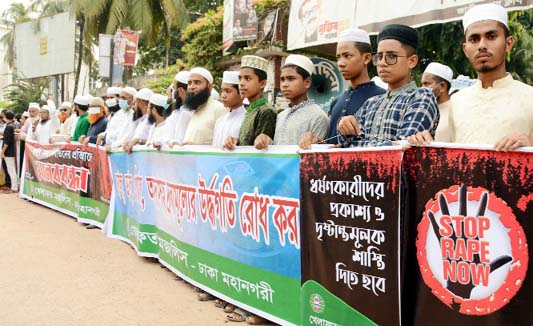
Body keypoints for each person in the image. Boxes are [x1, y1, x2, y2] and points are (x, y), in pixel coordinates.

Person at [408, 3, 533, 150]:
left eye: (491, 36)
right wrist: (422, 141)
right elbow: (451, 157)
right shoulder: (457, 101)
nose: (482, 45)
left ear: (508, 43)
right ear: (466, 50)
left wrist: (528, 147)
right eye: (474, 39)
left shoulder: (529, 97)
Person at [337, 24, 439, 147]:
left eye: (391, 56)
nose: (382, 63)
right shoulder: (371, 103)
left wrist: (356, 146)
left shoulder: (421, 96)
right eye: (379, 56)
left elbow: (403, 148)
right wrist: (344, 125)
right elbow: (344, 144)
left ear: (411, 61)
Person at [300, 28, 386, 149]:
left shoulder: (382, 97)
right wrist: (317, 143)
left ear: (366, 58)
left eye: (347, 56)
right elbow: (334, 145)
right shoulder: (336, 102)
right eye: (338, 57)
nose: (340, 63)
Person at [255, 54, 328, 150]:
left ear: (307, 82)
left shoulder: (318, 117)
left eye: (291, 78)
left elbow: (316, 155)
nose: (285, 84)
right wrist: (265, 140)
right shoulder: (281, 115)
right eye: (282, 79)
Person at [223, 55, 276, 150]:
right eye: (240, 78)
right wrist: (235, 141)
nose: (241, 83)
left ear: (262, 83)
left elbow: (262, 149)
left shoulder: (266, 111)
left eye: (247, 78)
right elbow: (248, 143)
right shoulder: (252, 109)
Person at [181, 67, 227, 145]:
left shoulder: (219, 109)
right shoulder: (195, 110)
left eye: (197, 82)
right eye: (189, 83)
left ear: (209, 87)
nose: (192, 87)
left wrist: (196, 148)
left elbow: (222, 145)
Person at [420, 62, 453, 142]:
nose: (422, 88)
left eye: (426, 84)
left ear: (442, 86)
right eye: (422, 84)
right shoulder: (422, 108)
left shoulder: (455, 109)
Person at [212, 71, 246, 147]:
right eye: (222, 91)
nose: (223, 95)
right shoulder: (219, 121)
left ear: (241, 94)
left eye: (228, 91)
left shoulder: (246, 120)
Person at [123, 88, 154, 153]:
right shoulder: (142, 120)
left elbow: (153, 142)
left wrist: (137, 141)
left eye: (135, 103)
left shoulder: (152, 120)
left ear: (141, 102)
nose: (132, 107)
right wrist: (130, 142)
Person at [168, 71, 193, 147]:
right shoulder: (180, 111)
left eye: (174, 88)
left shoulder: (187, 112)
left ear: (180, 91)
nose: (172, 92)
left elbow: (179, 140)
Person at [1, 110, 18, 193]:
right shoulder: (14, 125)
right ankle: (14, 186)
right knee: (13, 169)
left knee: (11, 170)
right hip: (13, 150)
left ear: (4, 117)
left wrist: (2, 152)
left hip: (9, 151)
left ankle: (14, 187)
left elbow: (7, 141)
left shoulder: (8, 127)